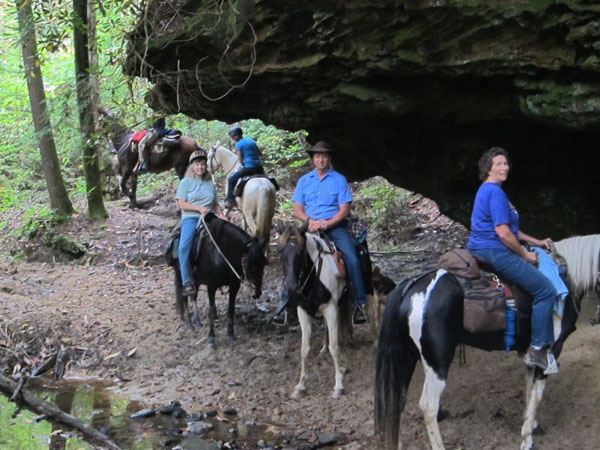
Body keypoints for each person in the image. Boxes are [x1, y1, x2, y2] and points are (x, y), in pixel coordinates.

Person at [467, 147, 557, 371]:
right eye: (498, 164)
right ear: (488, 168)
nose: (504, 168)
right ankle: (537, 349)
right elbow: (504, 233)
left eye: (506, 164)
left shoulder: (488, 190)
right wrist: (525, 254)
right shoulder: (495, 193)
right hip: (494, 251)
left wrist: (535, 242)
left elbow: (512, 231)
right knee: (546, 291)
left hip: (482, 248)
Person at [278, 141, 368, 325]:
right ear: (313, 159)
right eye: (317, 156)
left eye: (324, 156)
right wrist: (310, 223)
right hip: (309, 228)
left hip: (335, 227)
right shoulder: (304, 181)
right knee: (291, 254)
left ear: (329, 159)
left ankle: (359, 304)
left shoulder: (339, 180)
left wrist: (326, 224)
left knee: (351, 257)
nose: (320, 159)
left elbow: (344, 210)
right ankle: (285, 304)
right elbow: (297, 209)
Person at [175, 150, 227, 296]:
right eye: (197, 164)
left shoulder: (209, 182)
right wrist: (198, 208)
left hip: (210, 217)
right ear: (192, 166)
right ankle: (187, 282)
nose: (200, 167)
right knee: (183, 248)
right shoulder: (185, 182)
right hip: (191, 218)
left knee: (230, 238)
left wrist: (222, 216)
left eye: (203, 164)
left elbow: (216, 203)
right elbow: (181, 204)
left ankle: (228, 274)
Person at [224, 126, 264, 209]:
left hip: (249, 168)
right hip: (259, 168)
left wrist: (245, 163)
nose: (232, 139)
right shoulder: (251, 141)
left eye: (232, 137)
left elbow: (240, 160)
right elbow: (260, 154)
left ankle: (230, 200)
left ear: (235, 136)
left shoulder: (239, 144)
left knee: (231, 179)